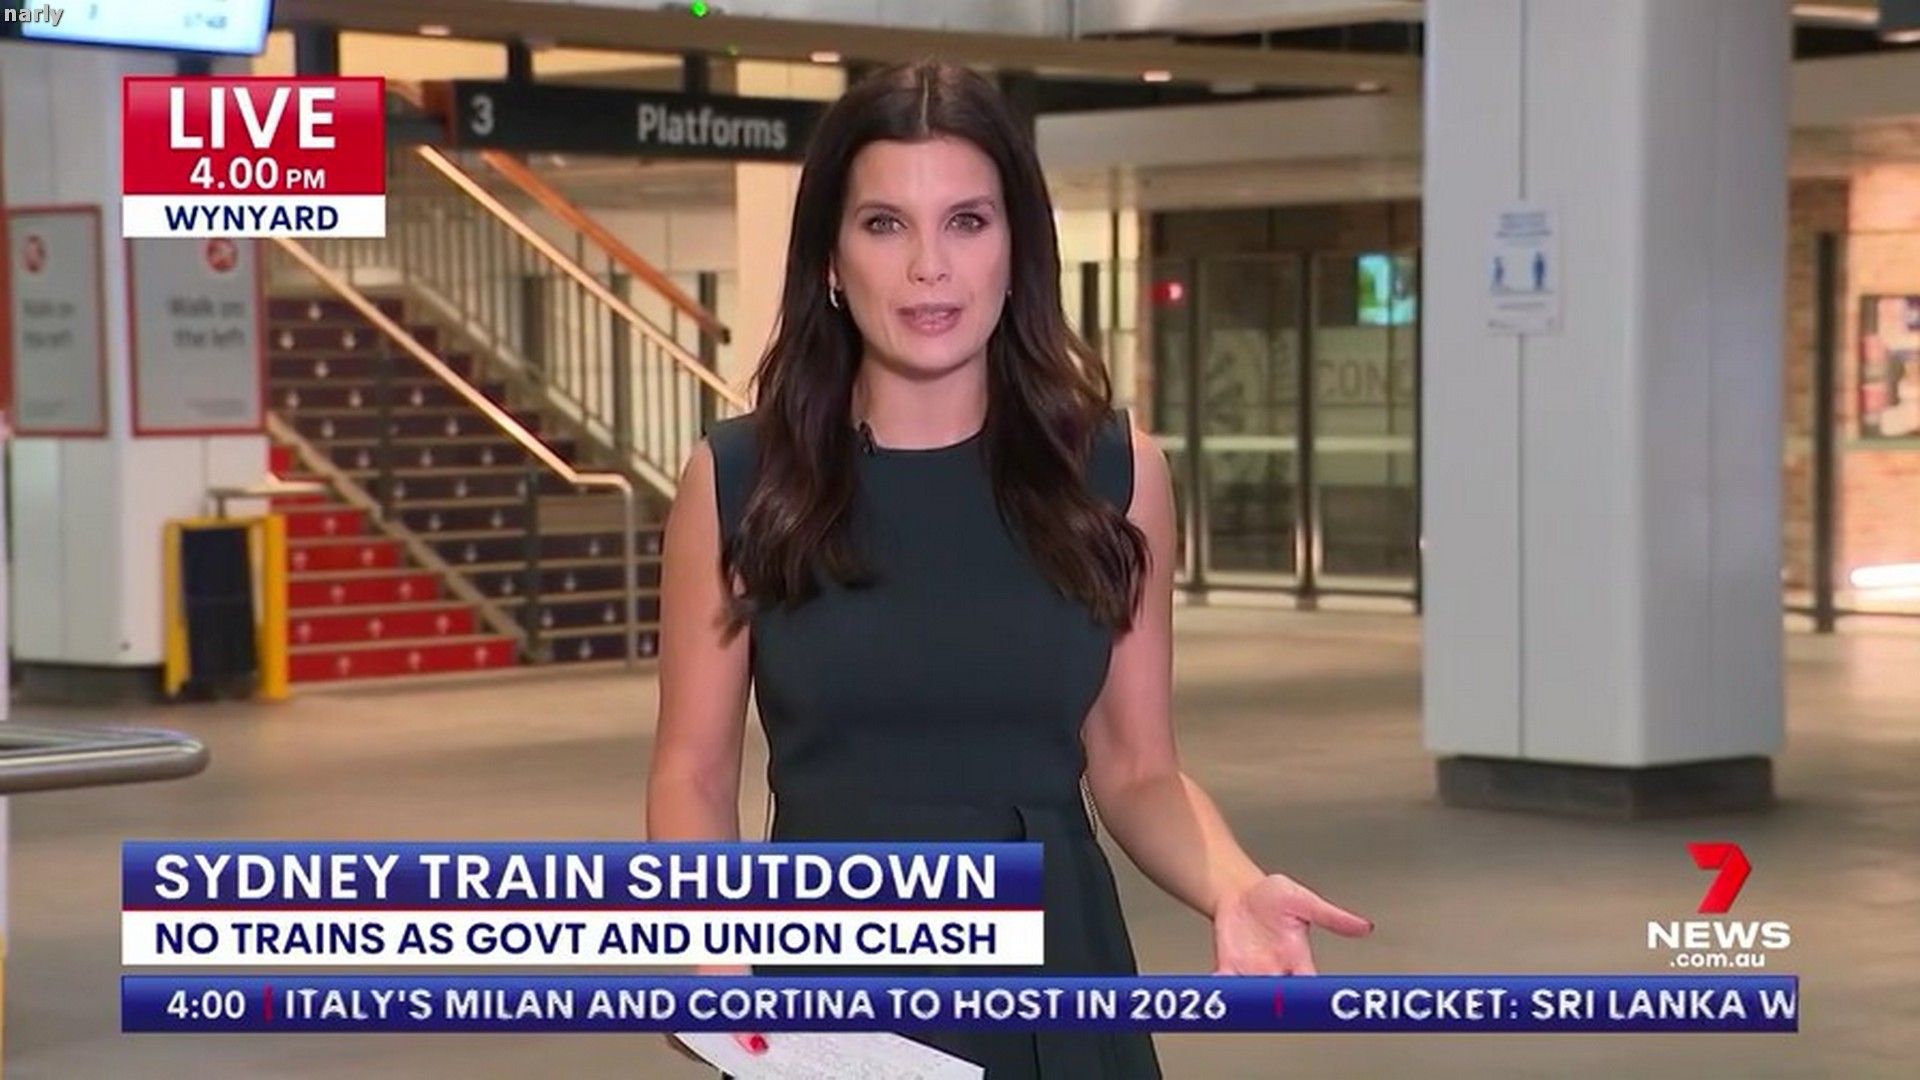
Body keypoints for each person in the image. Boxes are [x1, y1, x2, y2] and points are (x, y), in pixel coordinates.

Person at [646, 59, 1373, 1078]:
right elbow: (692, 770)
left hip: (1057, 979)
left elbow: (1138, 768)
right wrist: (702, 950)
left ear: (1018, 247)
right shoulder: (740, 481)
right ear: (830, 262)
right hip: (832, 994)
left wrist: (1234, 885)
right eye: (886, 224)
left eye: (968, 222)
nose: (929, 267)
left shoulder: (1114, 474)